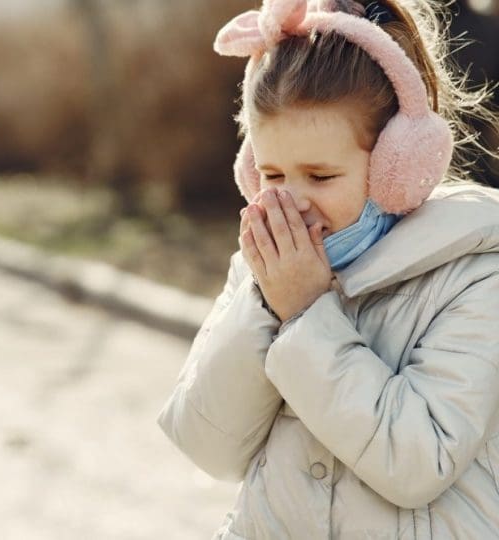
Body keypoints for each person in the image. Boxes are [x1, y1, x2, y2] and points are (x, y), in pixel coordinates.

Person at [156, 0, 499, 538]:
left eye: (319, 176)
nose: (293, 203)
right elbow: (207, 445)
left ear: (397, 165)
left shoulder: (476, 272)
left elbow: (418, 462)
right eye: (272, 175)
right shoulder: (260, 273)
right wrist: (266, 306)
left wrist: (309, 314)